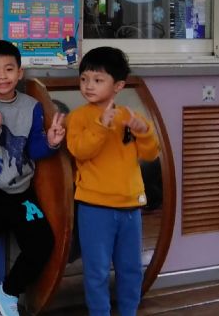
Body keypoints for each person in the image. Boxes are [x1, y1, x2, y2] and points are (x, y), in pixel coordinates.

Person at [0, 40, 65, 316]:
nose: (2, 76)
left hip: (22, 192)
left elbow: (32, 149)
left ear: (19, 72)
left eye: (9, 69)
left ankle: (8, 292)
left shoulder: (32, 106)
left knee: (42, 242)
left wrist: (51, 142)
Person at [66, 46, 159, 316]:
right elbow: (80, 151)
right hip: (94, 207)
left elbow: (150, 154)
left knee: (130, 268)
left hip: (131, 206)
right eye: (84, 79)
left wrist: (144, 132)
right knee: (96, 271)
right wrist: (100, 126)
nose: (88, 86)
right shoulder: (79, 117)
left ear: (118, 86)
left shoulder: (130, 116)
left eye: (98, 80)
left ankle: (129, 311)